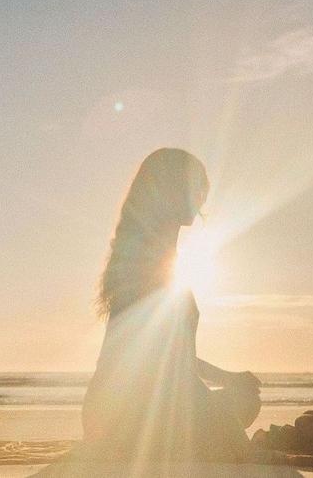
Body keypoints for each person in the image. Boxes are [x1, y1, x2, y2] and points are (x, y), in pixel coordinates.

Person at [82, 148, 262, 463]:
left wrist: (228, 379)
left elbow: (174, 355)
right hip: (126, 410)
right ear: (169, 191)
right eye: (195, 186)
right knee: (237, 406)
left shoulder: (160, 259)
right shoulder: (144, 264)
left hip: (128, 405)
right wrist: (234, 438)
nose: (202, 196)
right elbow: (159, 366)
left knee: (242, 398)